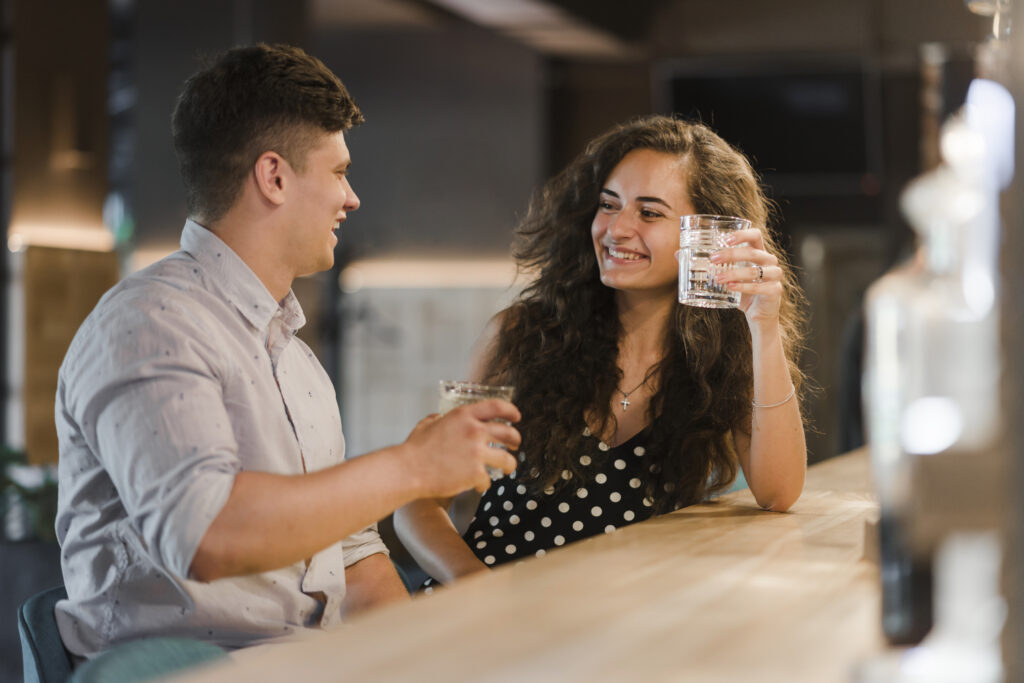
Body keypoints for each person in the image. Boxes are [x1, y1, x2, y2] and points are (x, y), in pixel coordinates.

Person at [53, 43, 520, 659]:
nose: (351, 199)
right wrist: (412, 466)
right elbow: (205, 533)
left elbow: (353, 559)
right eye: (338, 172)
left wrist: (422, 654)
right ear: (273, 177)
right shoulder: (149, 324)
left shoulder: (297, 363)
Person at [394, 115, 808, 585]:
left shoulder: (721, 361)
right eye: (609, 205)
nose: (616, 228)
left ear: (708, 238)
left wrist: (764, 326)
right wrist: (474, 584)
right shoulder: (519, 336)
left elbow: (779, 493)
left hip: (618, 629)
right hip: (487, 616)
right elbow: (419, 501)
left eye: (649, 213)